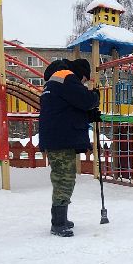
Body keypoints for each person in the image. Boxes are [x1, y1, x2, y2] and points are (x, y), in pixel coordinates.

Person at [38, 57, 100, 237]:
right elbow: (85, 100)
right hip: (60, 139)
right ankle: (58, 223)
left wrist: (89, 116)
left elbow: (65, 111)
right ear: (81, 73)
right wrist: (95, 96)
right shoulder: (66, 77)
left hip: (58, 136)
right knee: (64, 179)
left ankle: (61, 219)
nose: (83, 84)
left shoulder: (55, 80)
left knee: (64, 177)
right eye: (84, 81)